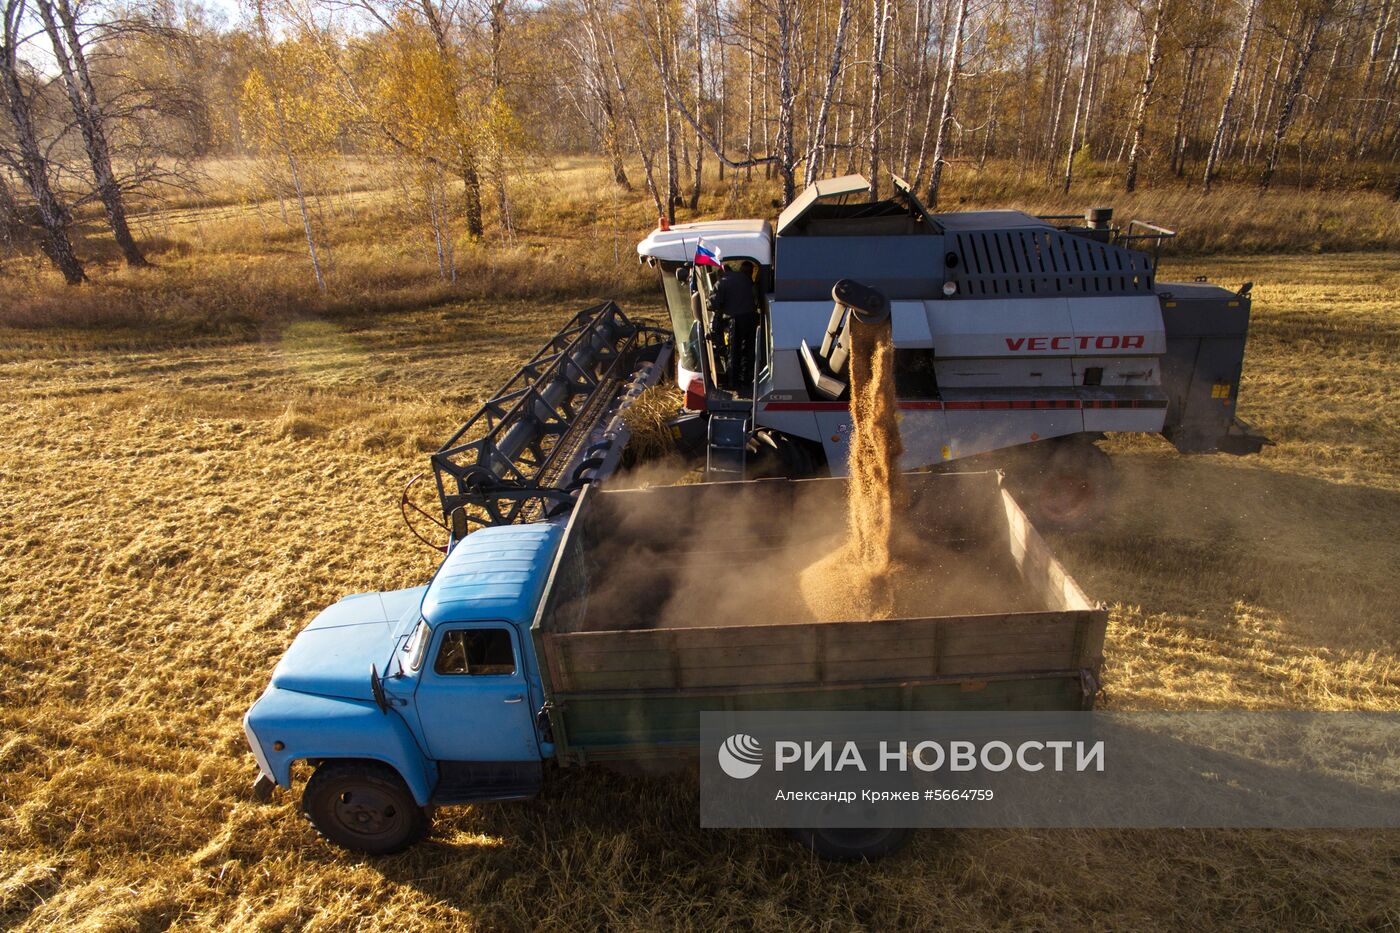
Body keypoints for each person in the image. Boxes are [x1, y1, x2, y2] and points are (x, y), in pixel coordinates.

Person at [709, 261, 760, 390]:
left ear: (720, 273)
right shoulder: (745, 278)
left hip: (736, 321)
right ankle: (749, 379)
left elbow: (713, 304)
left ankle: (733, 382)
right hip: (752, 318)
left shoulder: (722, 283)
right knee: (749, 350)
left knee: (734, 351)